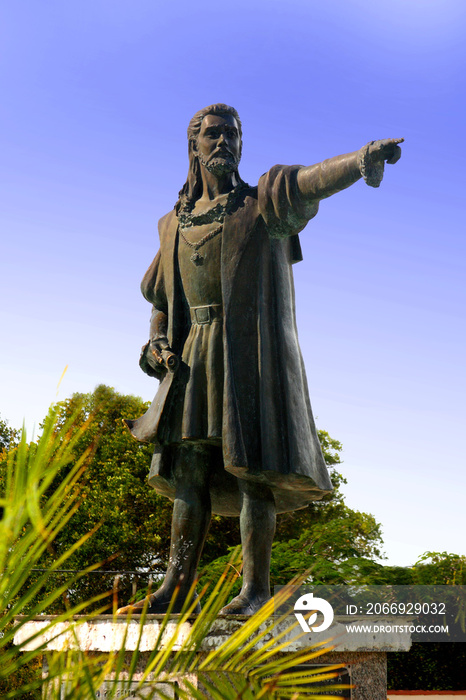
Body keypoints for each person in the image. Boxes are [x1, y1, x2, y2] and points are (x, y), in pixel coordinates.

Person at [118, 104, 402, 615]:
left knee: (252, 470)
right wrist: (156, 342)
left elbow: (307, 181)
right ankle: (176, 586)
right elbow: (160, 302)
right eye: (212, 134)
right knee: (190, 474)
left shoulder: (261, 202)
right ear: (194, 146)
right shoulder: (171, 224)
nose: (223, 142)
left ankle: (256, 590)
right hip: (192, 357)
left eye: (232, 134)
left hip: (247, 354)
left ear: (241, 145)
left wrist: (360, 160)